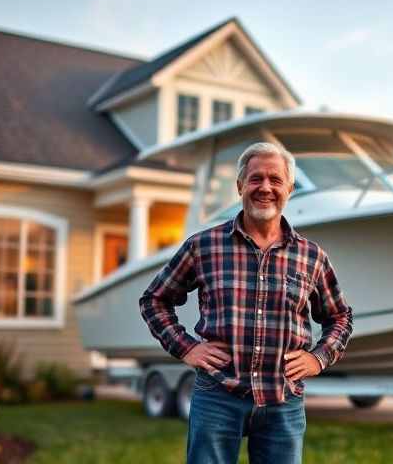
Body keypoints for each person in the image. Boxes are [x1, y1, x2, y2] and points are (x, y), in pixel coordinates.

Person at [139, 142, 353, 464]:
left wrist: (318, 358)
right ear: (240, 185)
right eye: (255, 179)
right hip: (217, 397)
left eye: (275, 180)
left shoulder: (312, 257)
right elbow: (154, 300)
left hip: (284, 400)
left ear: (289, 189)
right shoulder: (204, 246)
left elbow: (340, 317)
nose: (265, 187)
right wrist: (187, 348)